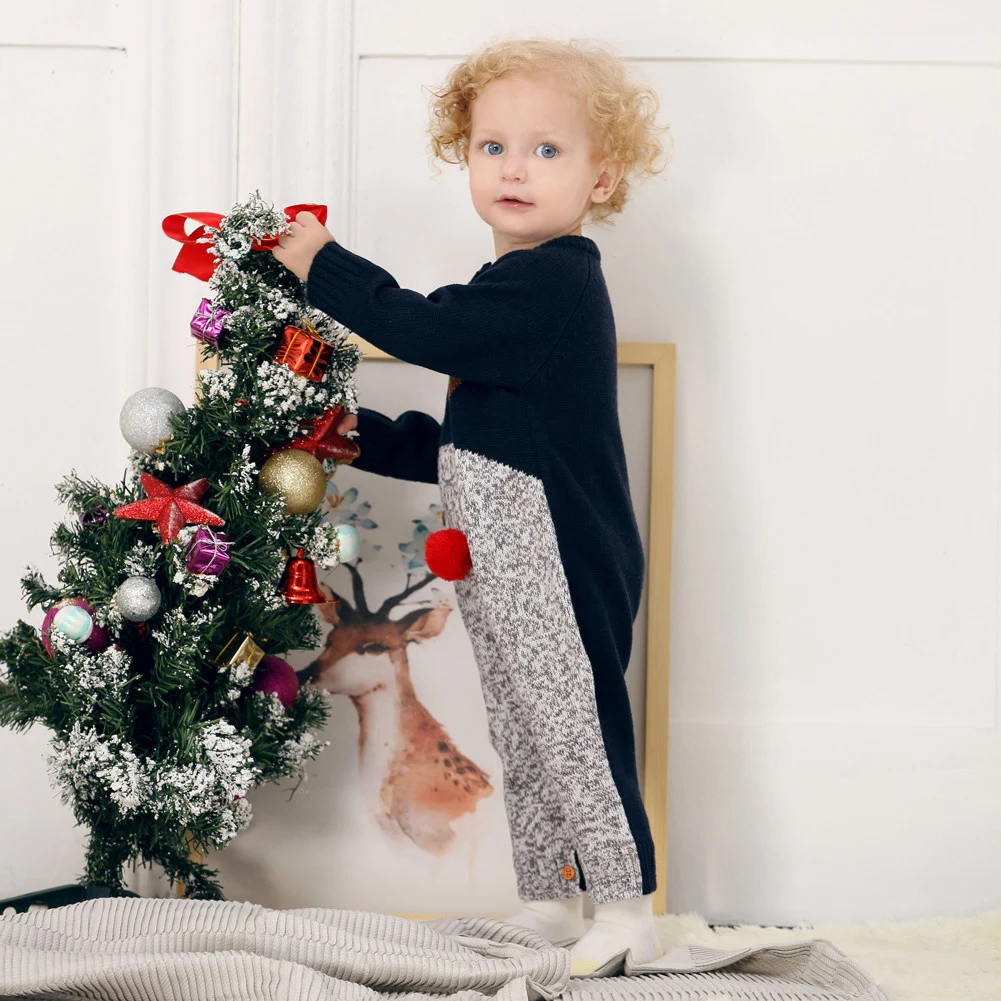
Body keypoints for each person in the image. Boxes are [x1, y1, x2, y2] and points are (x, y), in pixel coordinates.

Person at [272, 36, 671, 977]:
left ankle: (623, 904)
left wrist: (325, 265)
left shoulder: (554, 279)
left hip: (560, 552)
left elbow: (424, 326)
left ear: (601, 177)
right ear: (464, 158)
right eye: (492, 147)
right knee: (523, 724)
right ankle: (552, 892)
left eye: (546, 150)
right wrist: (343, 431)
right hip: (503, 554)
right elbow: (460, 438)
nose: (514, 169)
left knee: (573, 724)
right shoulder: (510, 293)